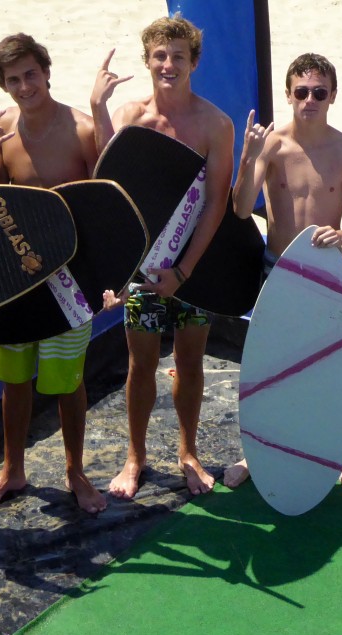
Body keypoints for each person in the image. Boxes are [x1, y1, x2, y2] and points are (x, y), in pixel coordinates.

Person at [90, 14, 235, 499]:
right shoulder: (132, 117)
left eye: (178, 56)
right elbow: (109, 189)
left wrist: (186, 270)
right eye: (159, 56)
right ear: (147, 60)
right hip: (144, 268)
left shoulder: (216, 125)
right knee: (140, 364)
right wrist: (97, 107)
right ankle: (136, 456)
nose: (168, 65)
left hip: (194, 267)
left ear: (193, 61)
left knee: (191, 361)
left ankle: (188, 451)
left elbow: (216, 203)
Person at [221, 52, 342, 490]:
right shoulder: (272, 145)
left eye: (319, 92)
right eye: (302, 92)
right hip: (277, 270)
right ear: (288, 95)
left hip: (326, 272)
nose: (310, 100)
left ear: (333, 97)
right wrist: (249, 157)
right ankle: (255, 455)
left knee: (324, 368)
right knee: (269, 369)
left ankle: (332, 456)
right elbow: (238, 207)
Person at [0, 33, 108, 516]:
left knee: (68, 382)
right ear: (3, 86)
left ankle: (76, 471)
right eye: (14, 79)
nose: (25, 85)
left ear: (47, 72)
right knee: (13, 381)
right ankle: (13, 469)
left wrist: (108, 279)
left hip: (70, 278)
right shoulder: (2, 134)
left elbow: (107, 206)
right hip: (17, 280)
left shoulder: (82, 129)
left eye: (31, 74)